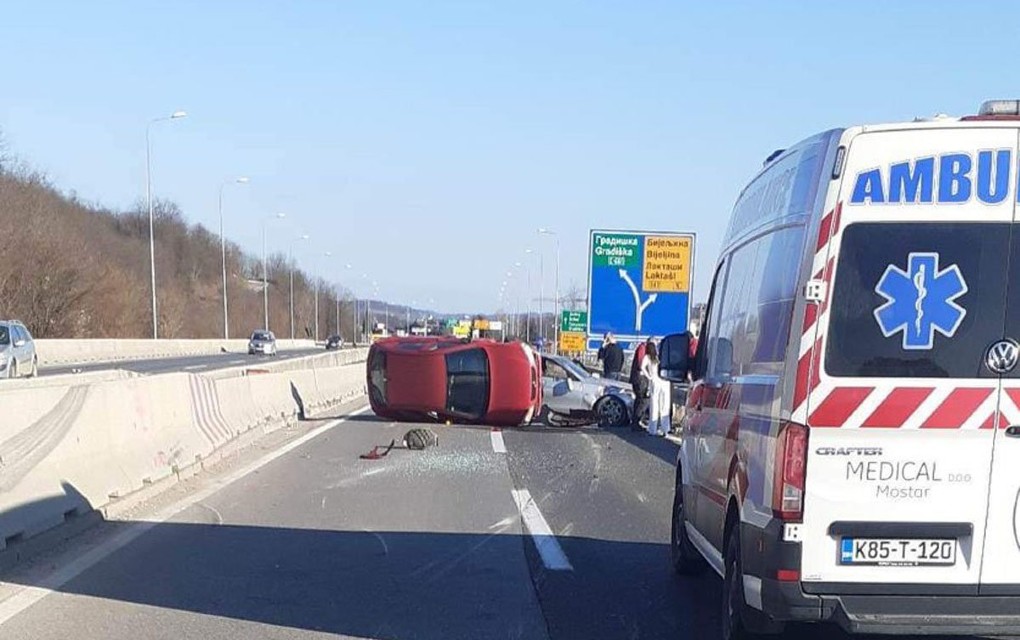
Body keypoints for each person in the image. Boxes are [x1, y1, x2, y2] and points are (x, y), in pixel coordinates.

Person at [640, 341, 670, 436]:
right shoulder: (659, 357)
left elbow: (642, 367)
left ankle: (652, 429)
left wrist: (649, 376)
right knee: (665, 406)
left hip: (655, 381)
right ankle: (665, 429)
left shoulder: (648, 357)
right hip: (665, 382)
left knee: (654, 405)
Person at [629, 338, 651, 428]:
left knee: (640, 400)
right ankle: (636, 421)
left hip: (638, 378)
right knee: (643, 400)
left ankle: (636, 421)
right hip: (639, 379)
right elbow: (640, 363)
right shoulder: (642, 348)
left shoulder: (642, 348)